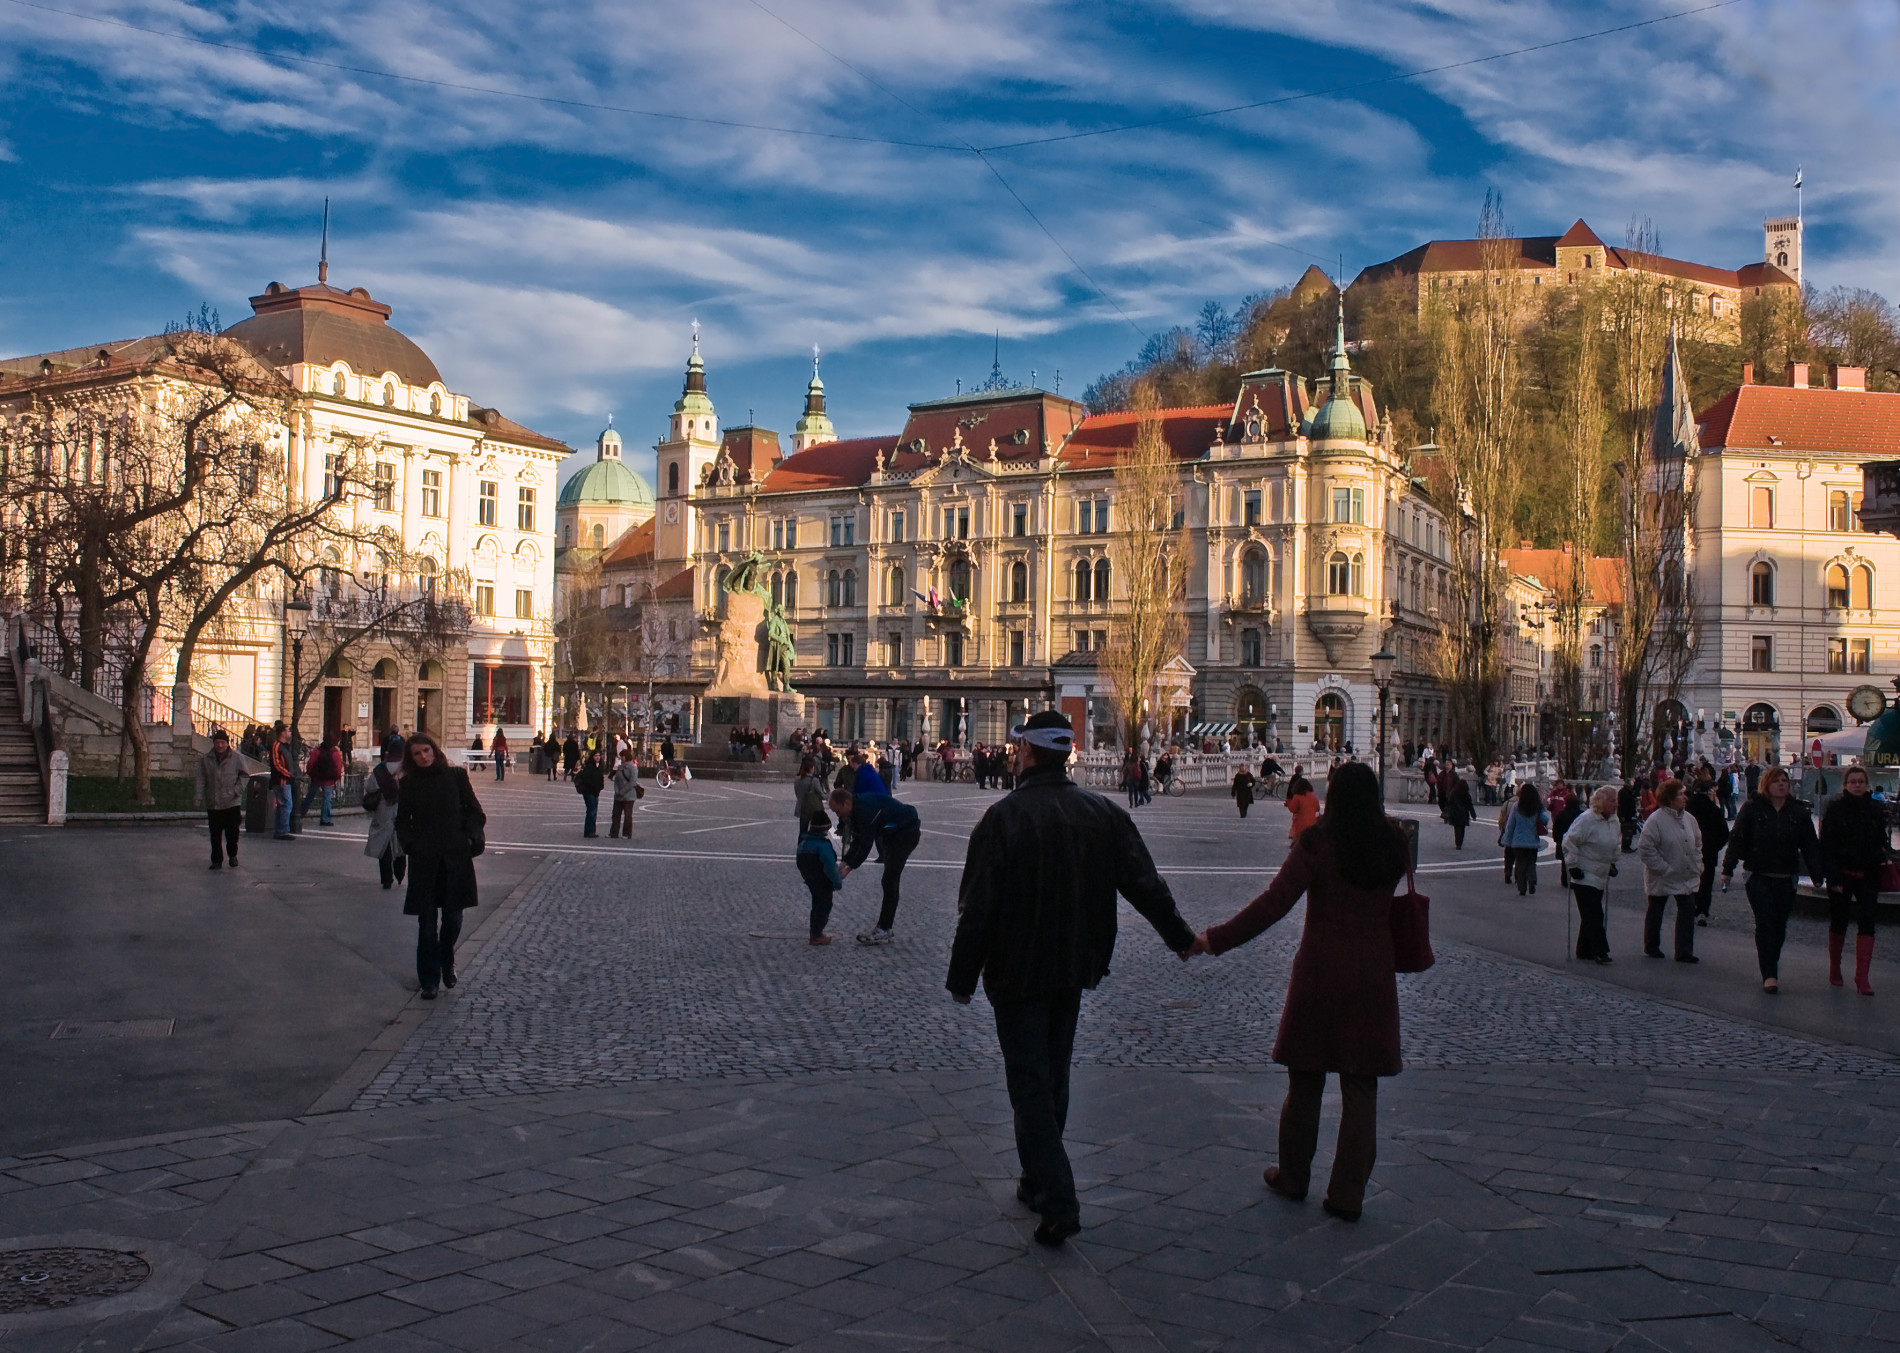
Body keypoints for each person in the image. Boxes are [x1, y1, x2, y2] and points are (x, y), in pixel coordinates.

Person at [946, 711, 1195, 1246]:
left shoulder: (1002, 818)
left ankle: (1058, 1198)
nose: (1012, 756)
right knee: (1053, 1073)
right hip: (1076, 963)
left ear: (1030, 753)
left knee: (1029, 1082)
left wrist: (962, 977)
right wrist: (1179, 937)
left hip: (1016, 968)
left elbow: (978, 906)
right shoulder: (1100, 813)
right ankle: (1036, 1179)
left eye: (1017, 749)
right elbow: (1144, 883)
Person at [1186, 763, 1409, 1223]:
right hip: (1372, 974)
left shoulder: (1317, 844)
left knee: (1305, 1079)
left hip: (1322, 971)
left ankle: (1293, 1176)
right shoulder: (1393, 844)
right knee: (1361, 1087)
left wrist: (1216, 939)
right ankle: (1348, 1194)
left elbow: (1273, 903)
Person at [394, 732, 485, 999]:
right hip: (425, 861)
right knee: (427, 924)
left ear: (434, 750)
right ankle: (429, 980)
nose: (423, 757)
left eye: (426, 751)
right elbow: (402, 821)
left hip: (455, 858)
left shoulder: (456, 777)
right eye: (417, 754)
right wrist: (410, 845)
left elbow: (475, 811)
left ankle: (446, 959)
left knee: (453, 919)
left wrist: (470, 835)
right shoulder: (409, 784)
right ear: (411, 759)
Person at [1722, 765, 1823, 994]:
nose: (1781, 784)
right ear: (1767, 784)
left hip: (1786, 875)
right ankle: (1769, 973)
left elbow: (1810, 845)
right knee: (1765, 921)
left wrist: (1817, 874)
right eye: (1776, 781)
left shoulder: (1798, 812)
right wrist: (1728, 868)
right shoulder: (1752, 808)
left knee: (1779, 925)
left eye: (1784, 781)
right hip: (1758, 873)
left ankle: (1771, 962)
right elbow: (1737, 839)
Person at [830, 783, 922, 946]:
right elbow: (857, 841)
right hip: (894, 835)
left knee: (889, 879)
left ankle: (884, 928)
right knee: (889, 880)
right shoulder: (856, 810)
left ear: (846, 803)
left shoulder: (864, 809)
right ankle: (885, 927)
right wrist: (844, 862)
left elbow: (866, 844)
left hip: (907, 833)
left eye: (837, 811)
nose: (838, 815)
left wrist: (849, 868)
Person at [1820, 765, 1885, 995]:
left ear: (1867, 784)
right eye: (1853, 781)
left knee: (1868, 922)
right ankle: (1835, 968)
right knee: (1839, 921)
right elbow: (1827, 845)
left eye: (1861, 781)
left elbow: (1880, 841)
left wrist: (1882, 857)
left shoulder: (1876, 809)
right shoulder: (1836, 809)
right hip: (1841, 873)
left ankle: (1862, 977)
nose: (1857, 785)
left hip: (1868, 874)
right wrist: (1832, 875)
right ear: (1846, 785)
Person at [1636, 779, 1703, 964]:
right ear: (1670, 798)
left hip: (1686, 873)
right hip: (1662, 875)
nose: (1685, 797)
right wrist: (1664, 868)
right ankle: (1651, 945)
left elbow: (1697, 843)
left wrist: (1698, 864)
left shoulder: (1689, 819)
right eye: (1681, 794)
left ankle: (1684, 951)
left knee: (1687, 910)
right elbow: (1646, 849)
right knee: (1656, 910)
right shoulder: (1655, 821)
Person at [1563, 786, 1622, 963]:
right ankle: (1600, 950)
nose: (1616, 804)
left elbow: (1615, 842)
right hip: (1584, 873)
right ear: (1602, 802)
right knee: (1594, 914)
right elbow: (1569, 841)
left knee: (1590, 914)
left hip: (1601, 871)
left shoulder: (1613, 820)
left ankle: (1584, 949)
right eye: (1612, 800)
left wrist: (1613, 861)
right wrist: (1572, 865)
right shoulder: (1587, 819)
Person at [197, 729, 245, 870]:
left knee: (232, 833)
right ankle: (216, 860)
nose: (219, 745)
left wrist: (236, 791)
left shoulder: (237, 758)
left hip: (231, 802)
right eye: (217, 742)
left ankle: (232, 855)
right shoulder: (206, 759)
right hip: (214, 802)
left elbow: (245, 776)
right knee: (215, 834)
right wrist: (198, 795)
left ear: (227, 743)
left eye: (222, 742)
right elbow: (201, 778)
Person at [1684, 780, 1730, 925]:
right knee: (1706, 882)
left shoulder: (1686, 810)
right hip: (1709, 853)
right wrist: (1715, 846)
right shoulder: (1714, 809)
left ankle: (1688, 908)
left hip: (1688, 852)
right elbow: (1724, 833)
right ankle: (1702, 910)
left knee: (1689, 881)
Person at [796, 811, 844, 946]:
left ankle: (815, 933)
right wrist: (837, 882)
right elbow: (830, 865)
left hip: (811, 880)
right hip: (823, 880)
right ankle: (817, 934)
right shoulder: (822, 845)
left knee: (816, 904)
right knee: (824, 905)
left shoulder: (804, 842)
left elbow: (799, 862)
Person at [362, 746, 406, 890]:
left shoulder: (380, 769)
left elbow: (370, 788)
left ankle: (386, 879)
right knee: (400, 841)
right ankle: (400, 873)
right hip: (403, 808)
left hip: (384, 808)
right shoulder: (407, 768)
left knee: (384, 843)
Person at [1499, 783, 1548, 895]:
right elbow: (1545, 820)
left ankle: (1522, 887)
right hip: (1532, 841)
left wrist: (1507, 839)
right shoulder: (1537, 807)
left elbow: (1511, 824)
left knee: (1520, 864)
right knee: (1531, 863)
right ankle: (1531, 880)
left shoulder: (1517, 806)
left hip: (1518, 841)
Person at [301, 732, 344, 826]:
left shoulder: (317, 751)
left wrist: (312, 775)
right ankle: (325, 819)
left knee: (309, 797)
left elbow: (310, 765)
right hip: (328, 780)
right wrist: (336, 778)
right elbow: (338, 767)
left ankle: (300, 813)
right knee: (327, 799)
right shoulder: (334, 752)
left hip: (316, 778)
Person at [269, 722, 296, 840]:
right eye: (288, 730)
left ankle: (281, 829)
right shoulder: (277, 746)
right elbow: (276, 764)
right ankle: (282, 830)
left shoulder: (284, 746)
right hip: (281, 781)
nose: (290, 732)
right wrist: (288, 774)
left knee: (284, 805)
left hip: (285, 780)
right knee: (286, 805)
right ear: (282, 733)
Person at [610, 748, 642, 838]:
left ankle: (627, 833)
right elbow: (616, 780)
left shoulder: (633, 768)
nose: (621, 759)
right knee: (615, 814)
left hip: (629, 796)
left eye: (622, 757)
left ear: (626, 756)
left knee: (628, 815)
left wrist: (622, 791)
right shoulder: (620, 767)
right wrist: (617, 791)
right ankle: (614, 832)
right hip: (618, 795)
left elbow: (632, 782)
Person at [573, 751, 605, 838]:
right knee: (591, 811)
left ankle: (592, 831)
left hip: (596, 792)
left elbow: (600, 778)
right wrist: (594, 786)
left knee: (593, 812)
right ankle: (589, 831)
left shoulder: (599, 767)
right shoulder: (589, 767)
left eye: (599, 755)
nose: (598, 757)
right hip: (589, 792)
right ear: (592, 757)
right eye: (596, 756)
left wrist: (601, 786)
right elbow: (586, 779)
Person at [1441, 773, 1473, 849]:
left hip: (1455, 813)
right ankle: (1460, 842)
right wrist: (1473, 814)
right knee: (1462, 829)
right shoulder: (1466, 794)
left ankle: (1457, 842)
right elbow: (1470, 805)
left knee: (1457, 829)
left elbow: (1449, 801)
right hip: (1464, 814)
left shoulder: (1454, 792)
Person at [1285, 774, 1318, 842]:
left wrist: (1288, 803)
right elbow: (1317, 808)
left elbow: (1293, 809)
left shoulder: (1297, 796)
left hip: (1300, 823)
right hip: (1312, 823)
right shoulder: (1313, 795)